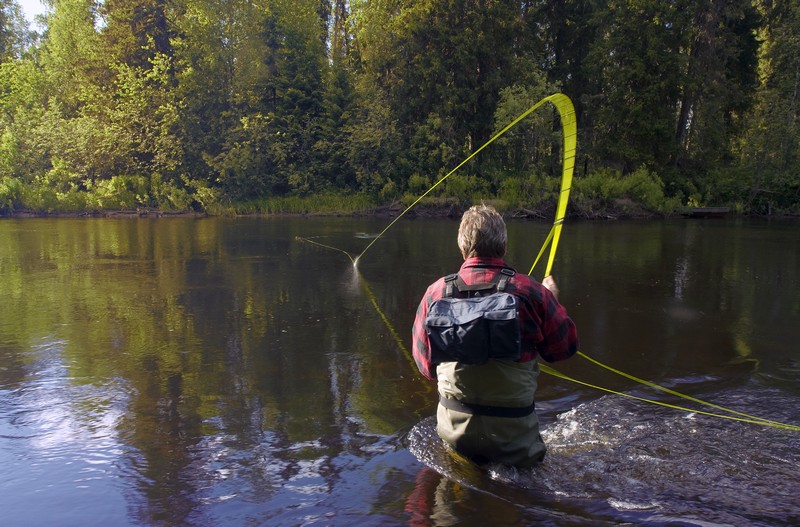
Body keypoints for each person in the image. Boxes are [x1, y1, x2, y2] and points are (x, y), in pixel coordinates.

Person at [411, 204, 579, 467]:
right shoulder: (531, 291)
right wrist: (553, 299)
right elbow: (565, 349)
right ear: (503, 246)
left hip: (455, 436)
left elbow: (426, 368)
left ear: (462, 248)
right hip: (516, 442)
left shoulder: (435, 294)